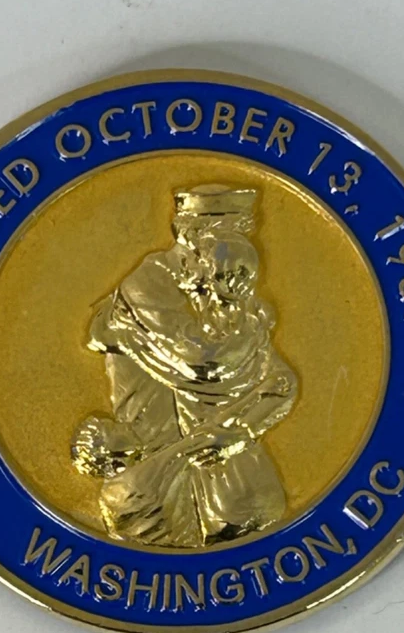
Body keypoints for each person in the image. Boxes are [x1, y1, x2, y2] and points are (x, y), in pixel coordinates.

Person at [71, 184, 298, 547]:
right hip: (154, 473)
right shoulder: (149, 284)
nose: (243, 243)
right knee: (160, 555)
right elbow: (203, 365)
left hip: (226, 462)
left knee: (253, 523)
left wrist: (239, 433)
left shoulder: (226, 289)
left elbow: (280, 381)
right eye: (232, 231)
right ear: (192, 235)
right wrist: (253, 324)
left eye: (244, 231)